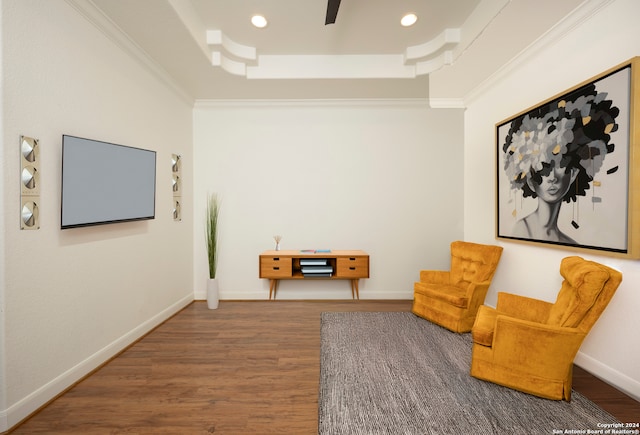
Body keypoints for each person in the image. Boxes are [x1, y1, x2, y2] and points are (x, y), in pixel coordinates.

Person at [502, 83, 619, 244]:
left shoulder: (570, 244)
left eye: (560, 163)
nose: (552, 177)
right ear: (529, 179)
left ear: (574, 173)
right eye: (544, 167)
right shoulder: (521, 230)